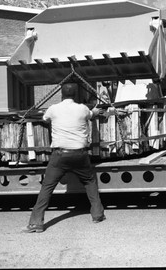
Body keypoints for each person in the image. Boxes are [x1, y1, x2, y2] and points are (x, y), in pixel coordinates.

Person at [23, 83, 105, 233]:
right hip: (80, 154)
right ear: (75, 95)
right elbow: (92, 114)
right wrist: (96, 111)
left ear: (61, 95)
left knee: (47, 187)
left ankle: (36, 223)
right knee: (89, 181)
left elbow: (45, 119)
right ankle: (97, 214)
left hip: (60, 155)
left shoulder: (53, 109)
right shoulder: (82, 109)